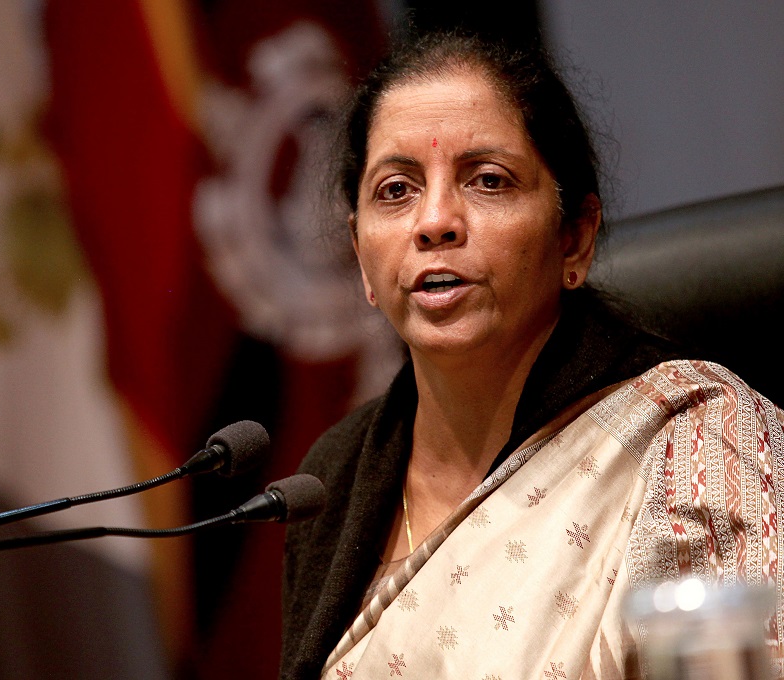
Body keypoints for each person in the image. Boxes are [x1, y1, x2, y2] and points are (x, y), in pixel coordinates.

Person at [279, 29, 784, 680]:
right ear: (360, 255)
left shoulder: (694, 442)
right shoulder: (333, 478)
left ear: (575, 238)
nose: (434, 222)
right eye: (396, 190)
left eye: (488, 181)